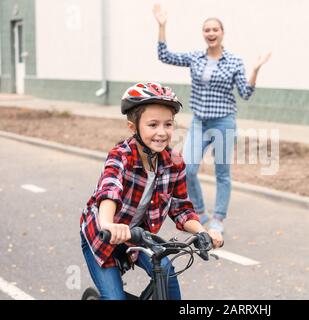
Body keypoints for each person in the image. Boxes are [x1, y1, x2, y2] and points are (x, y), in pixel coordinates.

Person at [79, 82, 223, 300]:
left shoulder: (174, 162)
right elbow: (109, 191)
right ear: (133, 127)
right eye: (153, 125)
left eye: (168, 124)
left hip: (139, 234)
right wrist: (108, 224)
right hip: (104, 235)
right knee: (114, 298)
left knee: (166, 273)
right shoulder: (121, 156)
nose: (162, 132)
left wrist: (203, 232)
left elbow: (181, 207)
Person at [153, 4, 271, 233]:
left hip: (223, 123)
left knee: (222, 173)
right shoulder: (196, 57)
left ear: (222, 33)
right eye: (207, 30)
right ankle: (199, 211)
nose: (211, 33)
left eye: (215, 29)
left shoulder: (234, 61)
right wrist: (162, 26)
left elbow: (245, 94)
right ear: (203, 34)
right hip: (199, 122)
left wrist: (255, 70)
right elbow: (164, 56)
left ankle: (218, 217)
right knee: (187, 168)